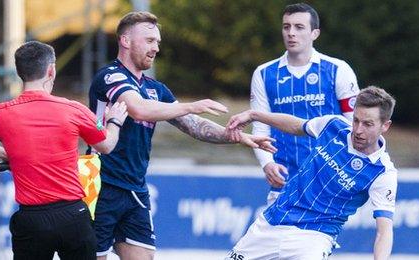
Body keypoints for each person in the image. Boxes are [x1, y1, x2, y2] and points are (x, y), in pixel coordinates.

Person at [88, 11, 276, 260]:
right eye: (149, 40)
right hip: (102, 186)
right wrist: (190, 105)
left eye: (158, 42)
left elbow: (192, 125)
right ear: (125, 40)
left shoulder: (156, 89)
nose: (155, 48)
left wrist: (235, 136)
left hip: (135, 189)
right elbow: (138, 108)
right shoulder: (111, 76)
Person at [0, 41, 128, 260]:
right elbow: (107, 145)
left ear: (19, 72)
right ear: (51, 70)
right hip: (72, 215)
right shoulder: (74, 109)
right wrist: (115, 121)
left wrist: (9, 153)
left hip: (31, 219)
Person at [225, 86, 397, 259]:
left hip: (314, 237)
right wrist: (254, 115)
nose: (358, 130)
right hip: (273, 221)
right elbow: (296, 125)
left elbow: (384, 231)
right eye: (356, 120)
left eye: (368, 124)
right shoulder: (333, 126)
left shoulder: (383, 172)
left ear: (385, 125)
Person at [250, 3, 360, 205]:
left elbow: (355, 124)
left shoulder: (337, 70)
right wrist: (267, 164)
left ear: (314, 33)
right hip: (284, 180)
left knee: (319, 238)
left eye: (299, 27)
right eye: (286, 27)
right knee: (277, 237)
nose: (291, 33)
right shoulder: (264, 74)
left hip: (328, 182)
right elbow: (260, 127)